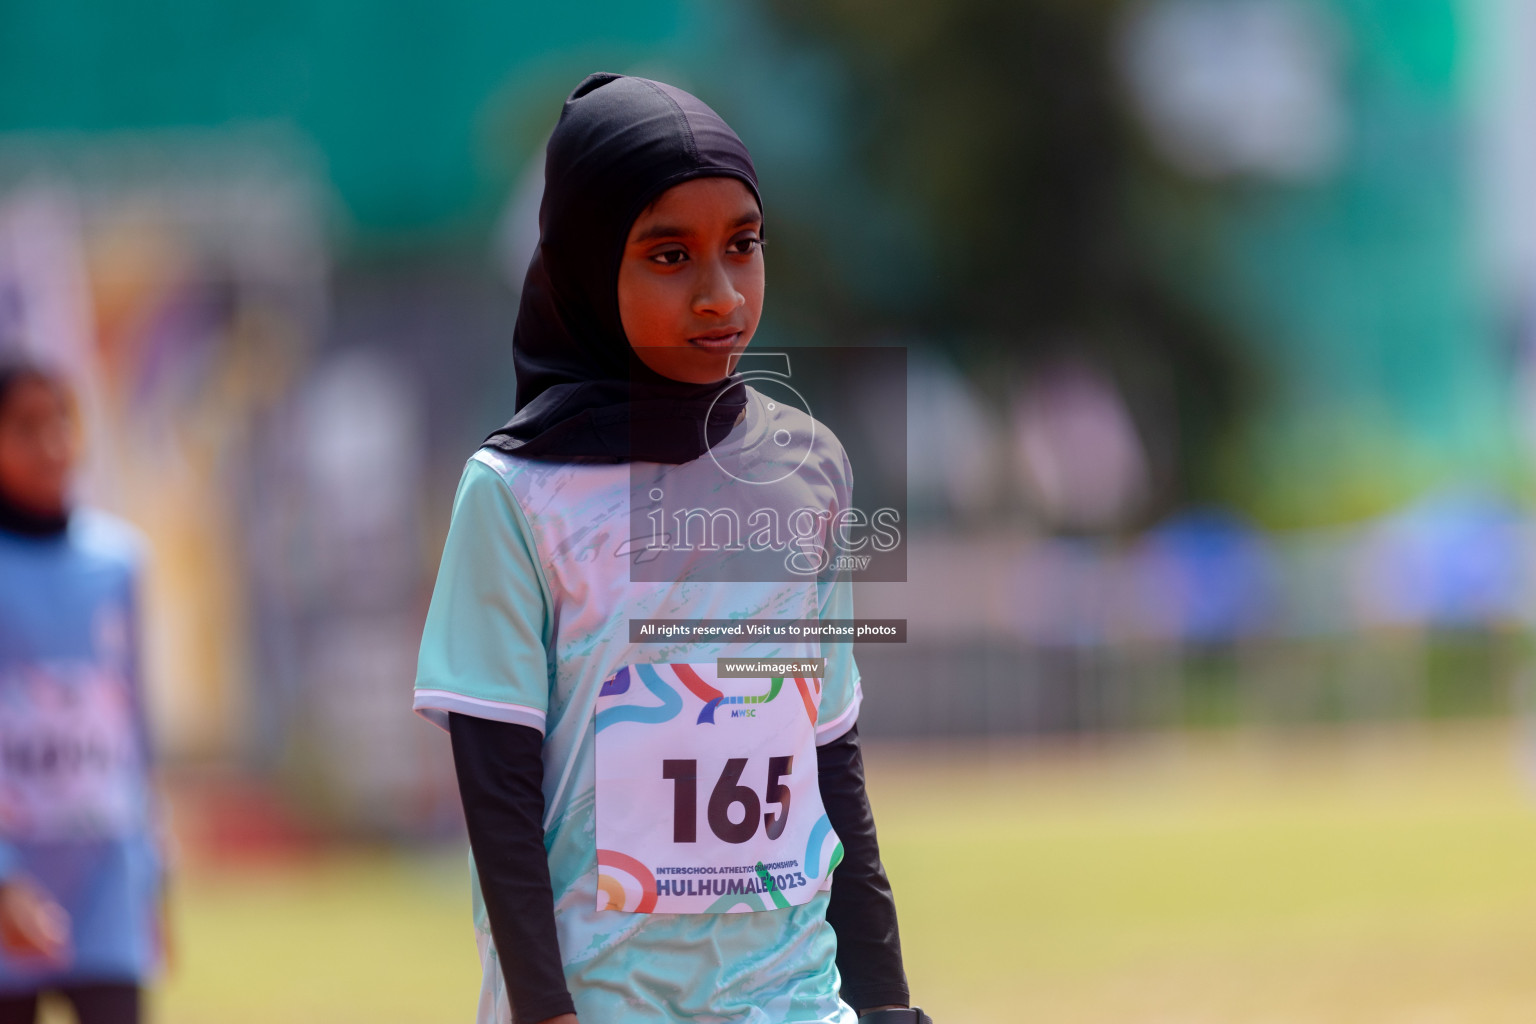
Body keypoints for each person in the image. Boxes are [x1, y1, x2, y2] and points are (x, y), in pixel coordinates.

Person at [414, 74, 930, 1023]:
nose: (720, 294)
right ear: (584, 266)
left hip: (794, 1000)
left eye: (742, 244)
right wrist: (545, 1007)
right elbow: (497, 795)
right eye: (668, 255)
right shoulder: (516, 495)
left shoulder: (807, 466)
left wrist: (888, 1001)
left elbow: (828, 758)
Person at [0, 360, 163, 1024]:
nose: (52, 444)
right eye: (25, 426)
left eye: (62, 420)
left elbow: (134, 729)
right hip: (14, 870)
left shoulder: (117, 560)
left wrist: (153, 870)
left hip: (107, 876)